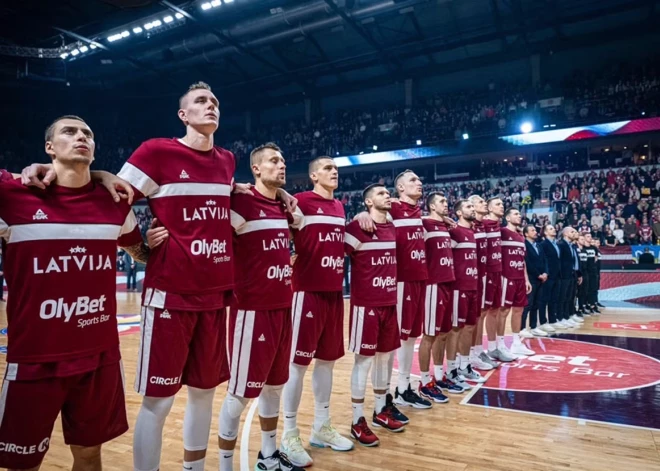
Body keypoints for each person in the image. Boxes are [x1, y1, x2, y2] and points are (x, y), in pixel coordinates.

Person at [0, 115, 146, 471]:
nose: (81, 136)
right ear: (49, 148)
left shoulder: (114, 201)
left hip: (99, 356)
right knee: (22, 464)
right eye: (70, 131)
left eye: (88, 134)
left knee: (90, 455)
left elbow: (141, 252)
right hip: (35, 360)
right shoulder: (12, 195)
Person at [119, 82, 237, 471]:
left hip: (216, 296)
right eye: (201, 101)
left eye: (215, 102)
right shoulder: (157, 152)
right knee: (160, 400)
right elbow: (115, 200)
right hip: (170, 294)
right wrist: (139, 246)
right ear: (183, 115)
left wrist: (285, 196)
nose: (211, 106)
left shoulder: (227, 161)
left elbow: (237, 199)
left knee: (204, 393)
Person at [218, 143, 301, 471]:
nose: (281, 165)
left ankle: (267, 456)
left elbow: (302, 222)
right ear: (256, 168)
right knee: (239, 395)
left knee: (275, 386)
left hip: (283, 307)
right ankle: (225, 465)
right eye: (273, 161)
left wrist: (284, 198)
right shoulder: (238, 202)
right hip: (251, 311)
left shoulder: (282, 206)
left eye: (282, 160)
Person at [281, 156, 353, 467]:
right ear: (313, 175)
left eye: (336, 168)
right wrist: (286, 257)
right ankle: (288, 432)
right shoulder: (300, 201)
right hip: (306, 292)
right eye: (327, 168)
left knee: (327, 363)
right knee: (297, 365)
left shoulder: (339, 207)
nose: (333, 172)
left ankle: (321, 427)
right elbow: (276, 229)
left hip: (334, 293)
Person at [345, 184, 404, 447]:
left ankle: (381, 409)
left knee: (385, 359)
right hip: (365, 305)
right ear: (368, 202)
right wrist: (356, 216)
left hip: (390, 303)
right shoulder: (357, 227)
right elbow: (336, 257)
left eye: (387, 192)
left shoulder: (392, 226)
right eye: (380, 193)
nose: (387, 195)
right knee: (364, 362)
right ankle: (357, 420)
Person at [419, 192, 463, 399]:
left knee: (443, 333)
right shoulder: (423, 223)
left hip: (448, 283)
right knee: (429, 335)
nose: (447, 204)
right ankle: (424, 381)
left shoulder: (445, 226)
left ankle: (438, 375)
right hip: (432, 285)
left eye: (446, 201)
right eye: (442, 202)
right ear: (431, 206)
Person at [446, 199, 479, 391]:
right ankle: (451, 370)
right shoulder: (455, 231)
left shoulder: (471, 232)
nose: (472, 209)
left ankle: (464, 365)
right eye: (468, 207)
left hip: (472, 285)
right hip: (459, 287)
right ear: (458, 213)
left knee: (469, 327)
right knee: (455, 329)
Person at [498, 208, 533, 357]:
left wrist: (526, 279)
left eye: (519, 214)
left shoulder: (521, 237)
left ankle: (516, 343)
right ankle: (499, 344)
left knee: (519, 310)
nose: (519, 216)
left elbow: (522, 260)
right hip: (506, 277)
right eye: (515, 213)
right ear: (507, 217)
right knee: (503, 311)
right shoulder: (501, 232)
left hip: (520, 278)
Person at [467, 195, 494, 373]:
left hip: (483, 274)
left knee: (481, 314)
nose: (485, 204)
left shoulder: (482, 225)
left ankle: (477, 349)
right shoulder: (466, 226)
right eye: (481, 202)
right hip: (470, 278)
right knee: (472, 319)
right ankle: (470, 354)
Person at [483, 197, 512, 363]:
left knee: (494, 310)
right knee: (481, 313)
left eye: (502, 204)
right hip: (485, 273)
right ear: (489, 208)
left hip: (498, 272)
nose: (502, 206)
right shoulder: (484, 225)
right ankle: (476, 351)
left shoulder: (499, 227)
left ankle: (494, 347)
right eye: (498, 204)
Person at [521, 225, 547, 337]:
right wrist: (538, 274)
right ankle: (522, 328)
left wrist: (546, 273)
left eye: (535, 230)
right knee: (528, 304)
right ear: (526, 234)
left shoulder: (539, 245)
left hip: (542, 278)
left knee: (537, 303)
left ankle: (533, 326)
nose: (535, 232)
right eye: (532, 230)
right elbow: (527, 262)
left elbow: (545, 260)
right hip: (531, 278)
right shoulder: (524, 245)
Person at [538, 224, 561, 333]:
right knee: (544, 299)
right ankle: (543, 321)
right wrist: (545, 272)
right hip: (548, 275)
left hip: (557, 275)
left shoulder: (556, 244)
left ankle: (553, 319)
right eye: (551, 229)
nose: (554, 229)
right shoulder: (543, 244)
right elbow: (543, 260)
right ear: (545, 232)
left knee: (554, 299)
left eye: (554, 228)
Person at [557, 227, 581, 329]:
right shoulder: (561, 245)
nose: (574, 233)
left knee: (569, 297)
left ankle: (567, 316)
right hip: (564, 275)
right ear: (565, 234)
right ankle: (560, 317)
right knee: (562, 298)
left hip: (571, 274)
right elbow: (559, 262)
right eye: (572, 232)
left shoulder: (571, 245)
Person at [584, 234, 600, 314]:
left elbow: (595, 259)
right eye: (588, 236)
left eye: (590, 236)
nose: (590, 238)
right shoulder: (582, 248)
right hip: (585, 272)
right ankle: (585, 305)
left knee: (593, 289)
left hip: (593, 272)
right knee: (585, 290)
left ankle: (593, 305)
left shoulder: (594, 248)